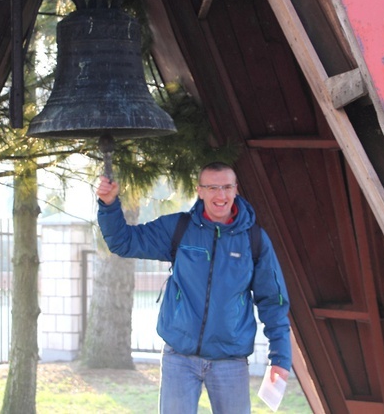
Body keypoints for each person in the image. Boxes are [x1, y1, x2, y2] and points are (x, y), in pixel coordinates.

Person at [96, 161, 292, 413]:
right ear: (199, 190)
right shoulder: (179, 228)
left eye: (226, 187)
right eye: (212, 187)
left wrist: (280, 358)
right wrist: (109, 204)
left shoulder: (253, 239)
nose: (220, 195)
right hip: (180, 358)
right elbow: (124, 242)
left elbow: (273, 302)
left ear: (235, 189)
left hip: (230, 360)